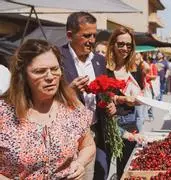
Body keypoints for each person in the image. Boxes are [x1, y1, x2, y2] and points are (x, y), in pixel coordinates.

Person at [0, 39, 95, 179]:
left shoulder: (73, 108)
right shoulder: (4, 113)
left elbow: (88, 146)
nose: (50, 77)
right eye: (40, 71)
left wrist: (80, 163)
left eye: (54, 69)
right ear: (23, 75)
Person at [59, 11, 116, 180]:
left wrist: (109, 103)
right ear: (70, 35)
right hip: (70, 135)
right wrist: (71, 90)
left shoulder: (99, 60)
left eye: (94, 35)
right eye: (86, 35)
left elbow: (104, 92)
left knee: (102, 173)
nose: (92, 40)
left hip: (97, 128)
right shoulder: (57, 58)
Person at [105, 26, 144, 179]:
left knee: (125, 170)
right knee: (104, 168)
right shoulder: (103, 68)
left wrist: (138, 100)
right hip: (109, 123)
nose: (125, 48)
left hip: (130, 121)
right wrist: (121, 99)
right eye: (120, 44)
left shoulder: (135, 70)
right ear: (113, 44)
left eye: (128, 45)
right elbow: (100, 96)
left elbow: (140, 95)